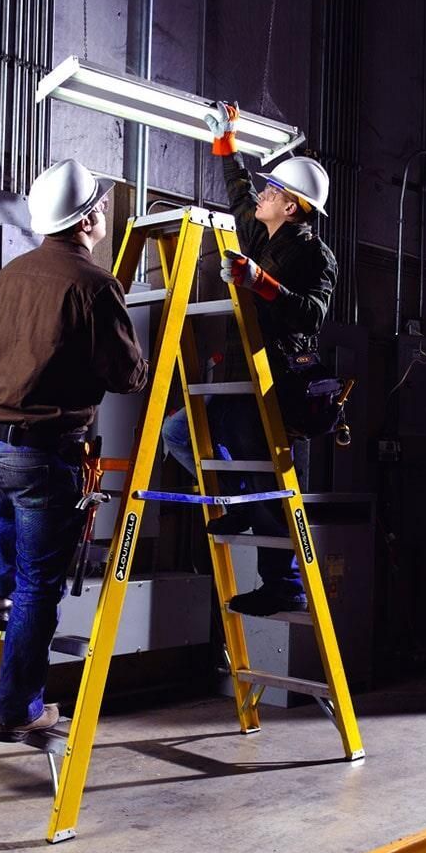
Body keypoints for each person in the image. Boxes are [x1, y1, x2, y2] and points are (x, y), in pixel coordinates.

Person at [0, 158, 148, 741]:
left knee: (5, 505)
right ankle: (17, 709)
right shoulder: (96, 285)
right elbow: (127, 376)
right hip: (44, 453)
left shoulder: (12, 272)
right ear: (90, 217)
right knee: (40, 591)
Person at [162, 102, 337, 617]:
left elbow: (311, 316)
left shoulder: (314, 254)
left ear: (294, 207)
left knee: (266, 482)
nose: (264, 194)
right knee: (178, 434)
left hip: (276, 382)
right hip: (241, 374)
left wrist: (261, 283)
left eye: (275, 191)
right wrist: (225, 141)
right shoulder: (261, 232)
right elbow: (240, 194)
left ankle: (282, 583)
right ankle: (234, 496)